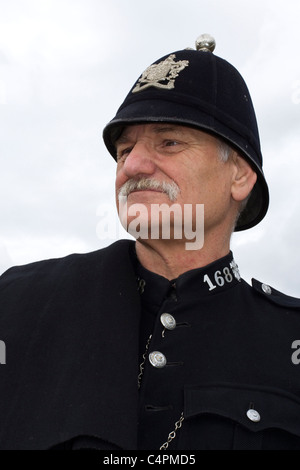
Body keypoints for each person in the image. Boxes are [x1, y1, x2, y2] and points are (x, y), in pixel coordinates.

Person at [1, 34, 300, 451]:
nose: (132, 165)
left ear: (240, 176)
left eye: (170, 142)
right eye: (124, 150)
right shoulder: (15, 304)